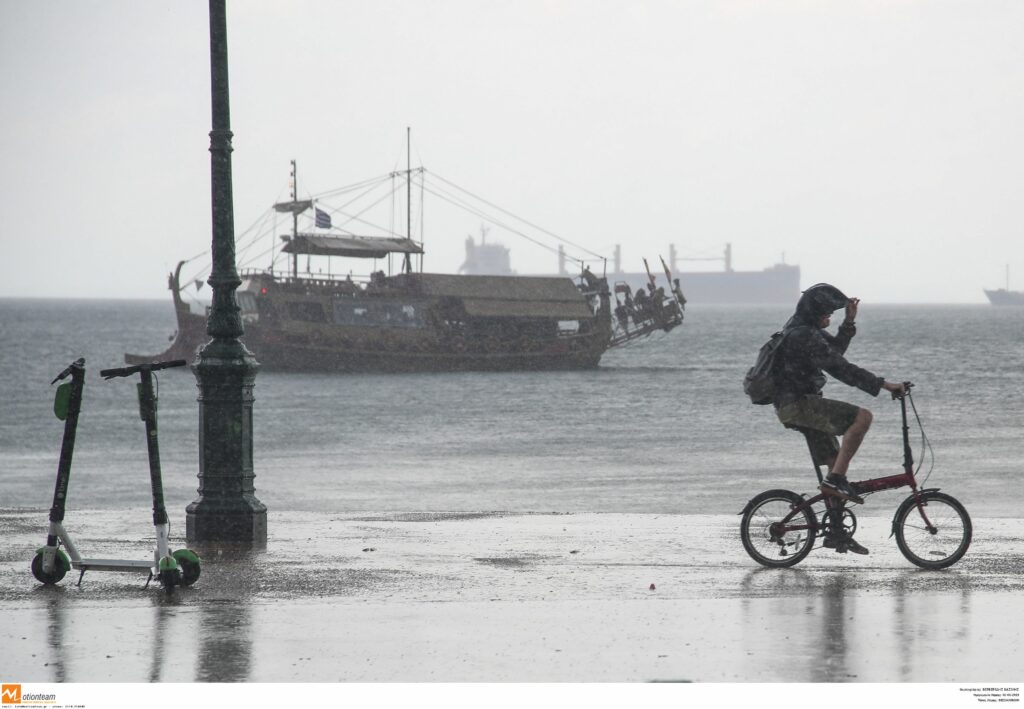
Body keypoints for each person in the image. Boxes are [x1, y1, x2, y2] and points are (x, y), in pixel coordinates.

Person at [772, 283, 905, 555]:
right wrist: (883, 385)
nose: (829, 318)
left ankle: (835, 533)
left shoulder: (805, 330)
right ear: (815, 311)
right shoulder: (802, 335)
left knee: (836, 466)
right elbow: (839, 368)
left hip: (798, 405)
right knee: (863, 417)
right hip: (799, 405)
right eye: (827, 313)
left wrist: (848, 322)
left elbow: (834, 353)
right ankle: (834, 483)